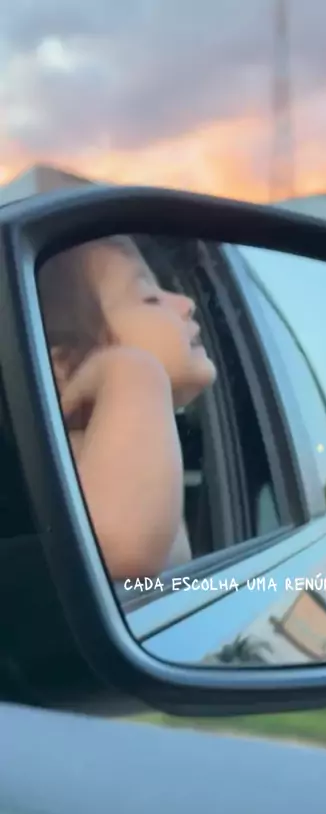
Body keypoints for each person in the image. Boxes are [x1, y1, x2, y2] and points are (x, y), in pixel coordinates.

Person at [36, 234, 217, 584]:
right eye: (150, 297)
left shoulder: (139, 453)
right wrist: (133, 372)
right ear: (61, 365)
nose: (187, 303)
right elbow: (119, 551)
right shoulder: (72, 462)